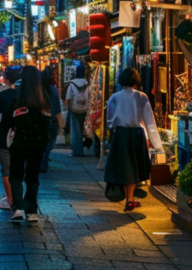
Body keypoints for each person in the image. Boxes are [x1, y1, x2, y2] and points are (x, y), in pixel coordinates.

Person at [105, 68, 163, 211]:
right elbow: (149, 121)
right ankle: (130, 198)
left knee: (124, 166)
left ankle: (129, 197)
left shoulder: (115, 97)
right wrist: (157, 145)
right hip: (136, 134)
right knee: (134, 166)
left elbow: (109, 121)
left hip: (120, 134)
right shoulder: (141, 97)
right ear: (136, 80)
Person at [4, 65, 53, 223]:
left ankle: (18, 207)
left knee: (16, 174)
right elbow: (48, 124)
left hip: (19, 142)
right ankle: (31, 210)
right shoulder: (44, 100)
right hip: (37, 143)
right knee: (32, 176)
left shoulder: (17, 99)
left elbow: (8, 121)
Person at [0, 67, 20, 211]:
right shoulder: (25, 95)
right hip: (22, 136)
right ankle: (17, 197)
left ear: (6, 80)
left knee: (6, 170)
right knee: (18, 169)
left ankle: (11, 199)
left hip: (3, 136)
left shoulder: (1, 96)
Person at [39, 68, 66, 173]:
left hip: (42, 119)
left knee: (43, 143)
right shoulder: (52, 89)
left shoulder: (39, 90)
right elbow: (57, 106)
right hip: (52, 119)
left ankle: (41, 163)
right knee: (48, 144)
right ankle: (43, 163)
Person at [65, 65, 91, 157]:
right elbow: (90, 97)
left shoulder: (72, 84)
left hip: (74, 109)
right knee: (84, 130)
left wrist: (68, 109)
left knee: (75, 131)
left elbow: (68, 99)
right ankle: (85, 148)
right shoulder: (87, 84)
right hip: (85, 110)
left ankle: (77, 151)